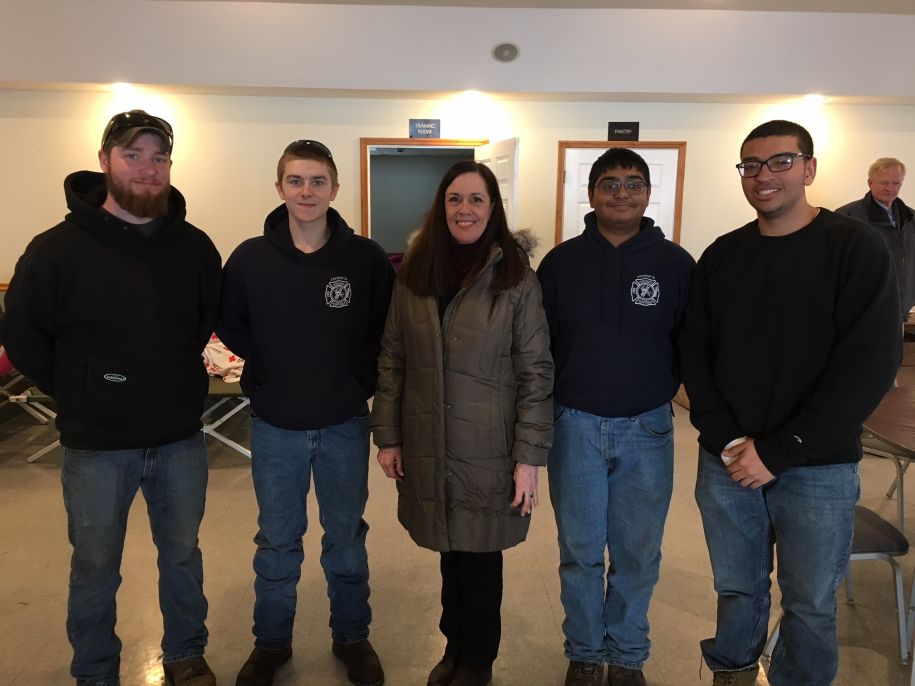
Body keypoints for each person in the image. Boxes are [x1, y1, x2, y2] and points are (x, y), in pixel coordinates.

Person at [1, 110, 222, 686]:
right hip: (96, 444)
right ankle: (96, 670)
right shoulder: (56, 249)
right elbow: (23, 334)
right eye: (133, 155)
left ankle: (185, 653)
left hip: (178, 437)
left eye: (159, 158)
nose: (148, 168)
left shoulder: (195, 247)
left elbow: (203, 322)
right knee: (95, 565)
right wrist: (80, 389)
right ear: (104, 161)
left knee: (182, 554)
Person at [679, 120, 901, 686]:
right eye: (751, 165)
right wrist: (729, 439)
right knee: (737, 590)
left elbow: (869, 366)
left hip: (817, 466)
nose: (764, 176)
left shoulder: (856, 248)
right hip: (728, 460)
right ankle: (732, 673)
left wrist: (780, 449)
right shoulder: (723, 255)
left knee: (810, 603)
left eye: (780, 161)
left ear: (809, 168)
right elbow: (694, 355)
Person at [218, 139, 395, 686]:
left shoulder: (365, 258)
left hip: (344, 420)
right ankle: (270, 644)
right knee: (277, 541)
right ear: (279, 188)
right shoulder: (250, 258)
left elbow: (385, 329)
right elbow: (232, 324)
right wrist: (269, 368)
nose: (307, 191)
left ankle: (352, 637)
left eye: (318, 181)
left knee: (345, 537)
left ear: (335, 189)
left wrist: (358, 379)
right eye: (295, 180)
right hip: (276, 424)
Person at [371, 161, 553, 686]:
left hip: (489, 447)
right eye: (455, 199)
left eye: (476, 199)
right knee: (449, 554)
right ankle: (453, 646)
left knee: (480, 559)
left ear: (493, 209)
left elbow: (536, 373)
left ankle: (477, 660)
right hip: (429, 439)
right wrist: (389, 437)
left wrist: (528, 459)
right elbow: (393, 359)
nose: (465, 209)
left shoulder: (516, 279)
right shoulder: (415, 274)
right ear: (441, 207)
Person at [537, 148, 695, 686]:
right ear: (591, 194)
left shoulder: (676, 264)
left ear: (649, 193)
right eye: (609, 184)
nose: (621, 193)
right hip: (574, 425)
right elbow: (539, 348)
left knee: (637, 553)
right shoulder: (560, 263)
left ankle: (627, 655)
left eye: (633, 184)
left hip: (647, 428)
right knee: (579, 552)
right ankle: (585, 652)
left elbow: (691, 344)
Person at [836, 157, 915, 322]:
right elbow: (837, 267)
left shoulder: (911, 217)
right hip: (864, 310)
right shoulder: (846, 216)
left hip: (902, 309)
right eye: (884, 183)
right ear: (870, 183)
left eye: (896, 183)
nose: (890, 188)